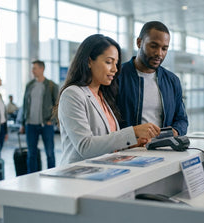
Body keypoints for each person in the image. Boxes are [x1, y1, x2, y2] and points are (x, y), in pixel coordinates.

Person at [54, 34, 161, 165]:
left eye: (116, 63)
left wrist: (131, 143)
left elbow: (106, 143)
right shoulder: (72, 94)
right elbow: (85, 147)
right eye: (109, 62)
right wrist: (133, 132)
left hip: (103, 173)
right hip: (78, 176)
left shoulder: (102, 96)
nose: (115, 69)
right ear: (89, 61)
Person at [116, 21, 188, 136]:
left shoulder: (172, 80)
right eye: (153, 46)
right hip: (126, 150)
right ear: (139, 42)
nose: (159, 53)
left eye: (164, 48)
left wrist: (175, 131)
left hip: (163, 149)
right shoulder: (117, 76)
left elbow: (182, 119)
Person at [20, 60, 59, 173]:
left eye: (35, 68)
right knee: (31, 154)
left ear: (42, 69)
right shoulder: (29, 85)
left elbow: (57, 105)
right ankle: (31, 177)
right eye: (32, 68)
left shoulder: (51, 85)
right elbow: (25, 104)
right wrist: (23, 123)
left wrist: (51, 120)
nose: (33, 71)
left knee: (50, 153)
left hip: (46, 124)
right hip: (30, 124)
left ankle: (52, 174)